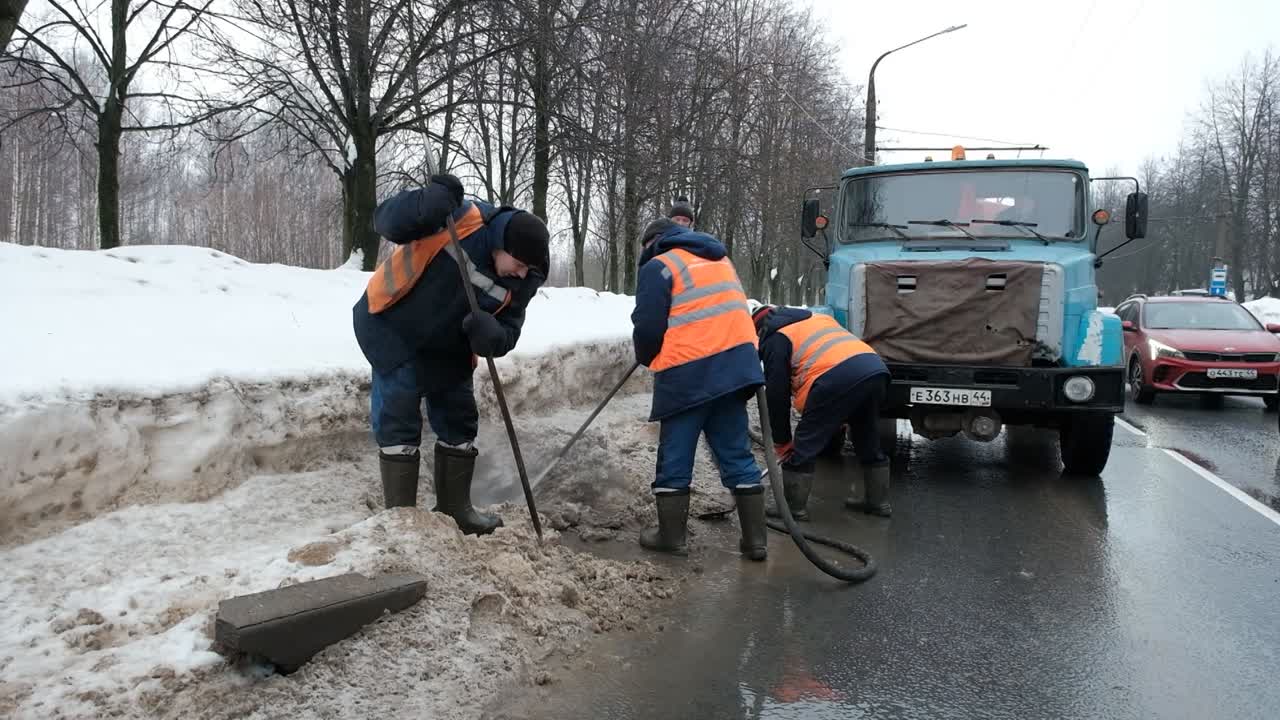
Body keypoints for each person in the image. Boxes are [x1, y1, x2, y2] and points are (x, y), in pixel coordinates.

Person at [352, 173, 549, 535]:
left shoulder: (525, 278)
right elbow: (385, 220)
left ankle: (455, 508)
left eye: (528, 270)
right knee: (398, 415)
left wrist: (494, 337)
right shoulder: (458, 217)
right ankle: (401, 520)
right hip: (394, 327)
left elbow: (509, 330)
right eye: (518, 264)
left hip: (450, 346)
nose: (521, 275)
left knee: (459, 418)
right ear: (502, 243)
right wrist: (425, 204)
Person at [632, 217, 768, 560]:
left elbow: (647, 326)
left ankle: (671, 537)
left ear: (652, 243)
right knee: (736, 453)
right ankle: (755, 542)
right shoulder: (720, 260)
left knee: (676, 455)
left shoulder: (660, 265)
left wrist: (646, 354)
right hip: (736, 371)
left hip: (688, 374)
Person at [749, 302, 893, 518]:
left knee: (804, 442)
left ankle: (793, 509)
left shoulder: (775, 336)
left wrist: (783, 441)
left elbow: (777, 393)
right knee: (867, 436)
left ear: (758, 329)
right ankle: (878, 503)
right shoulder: (815, 319)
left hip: (836, 376)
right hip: (875, 370)